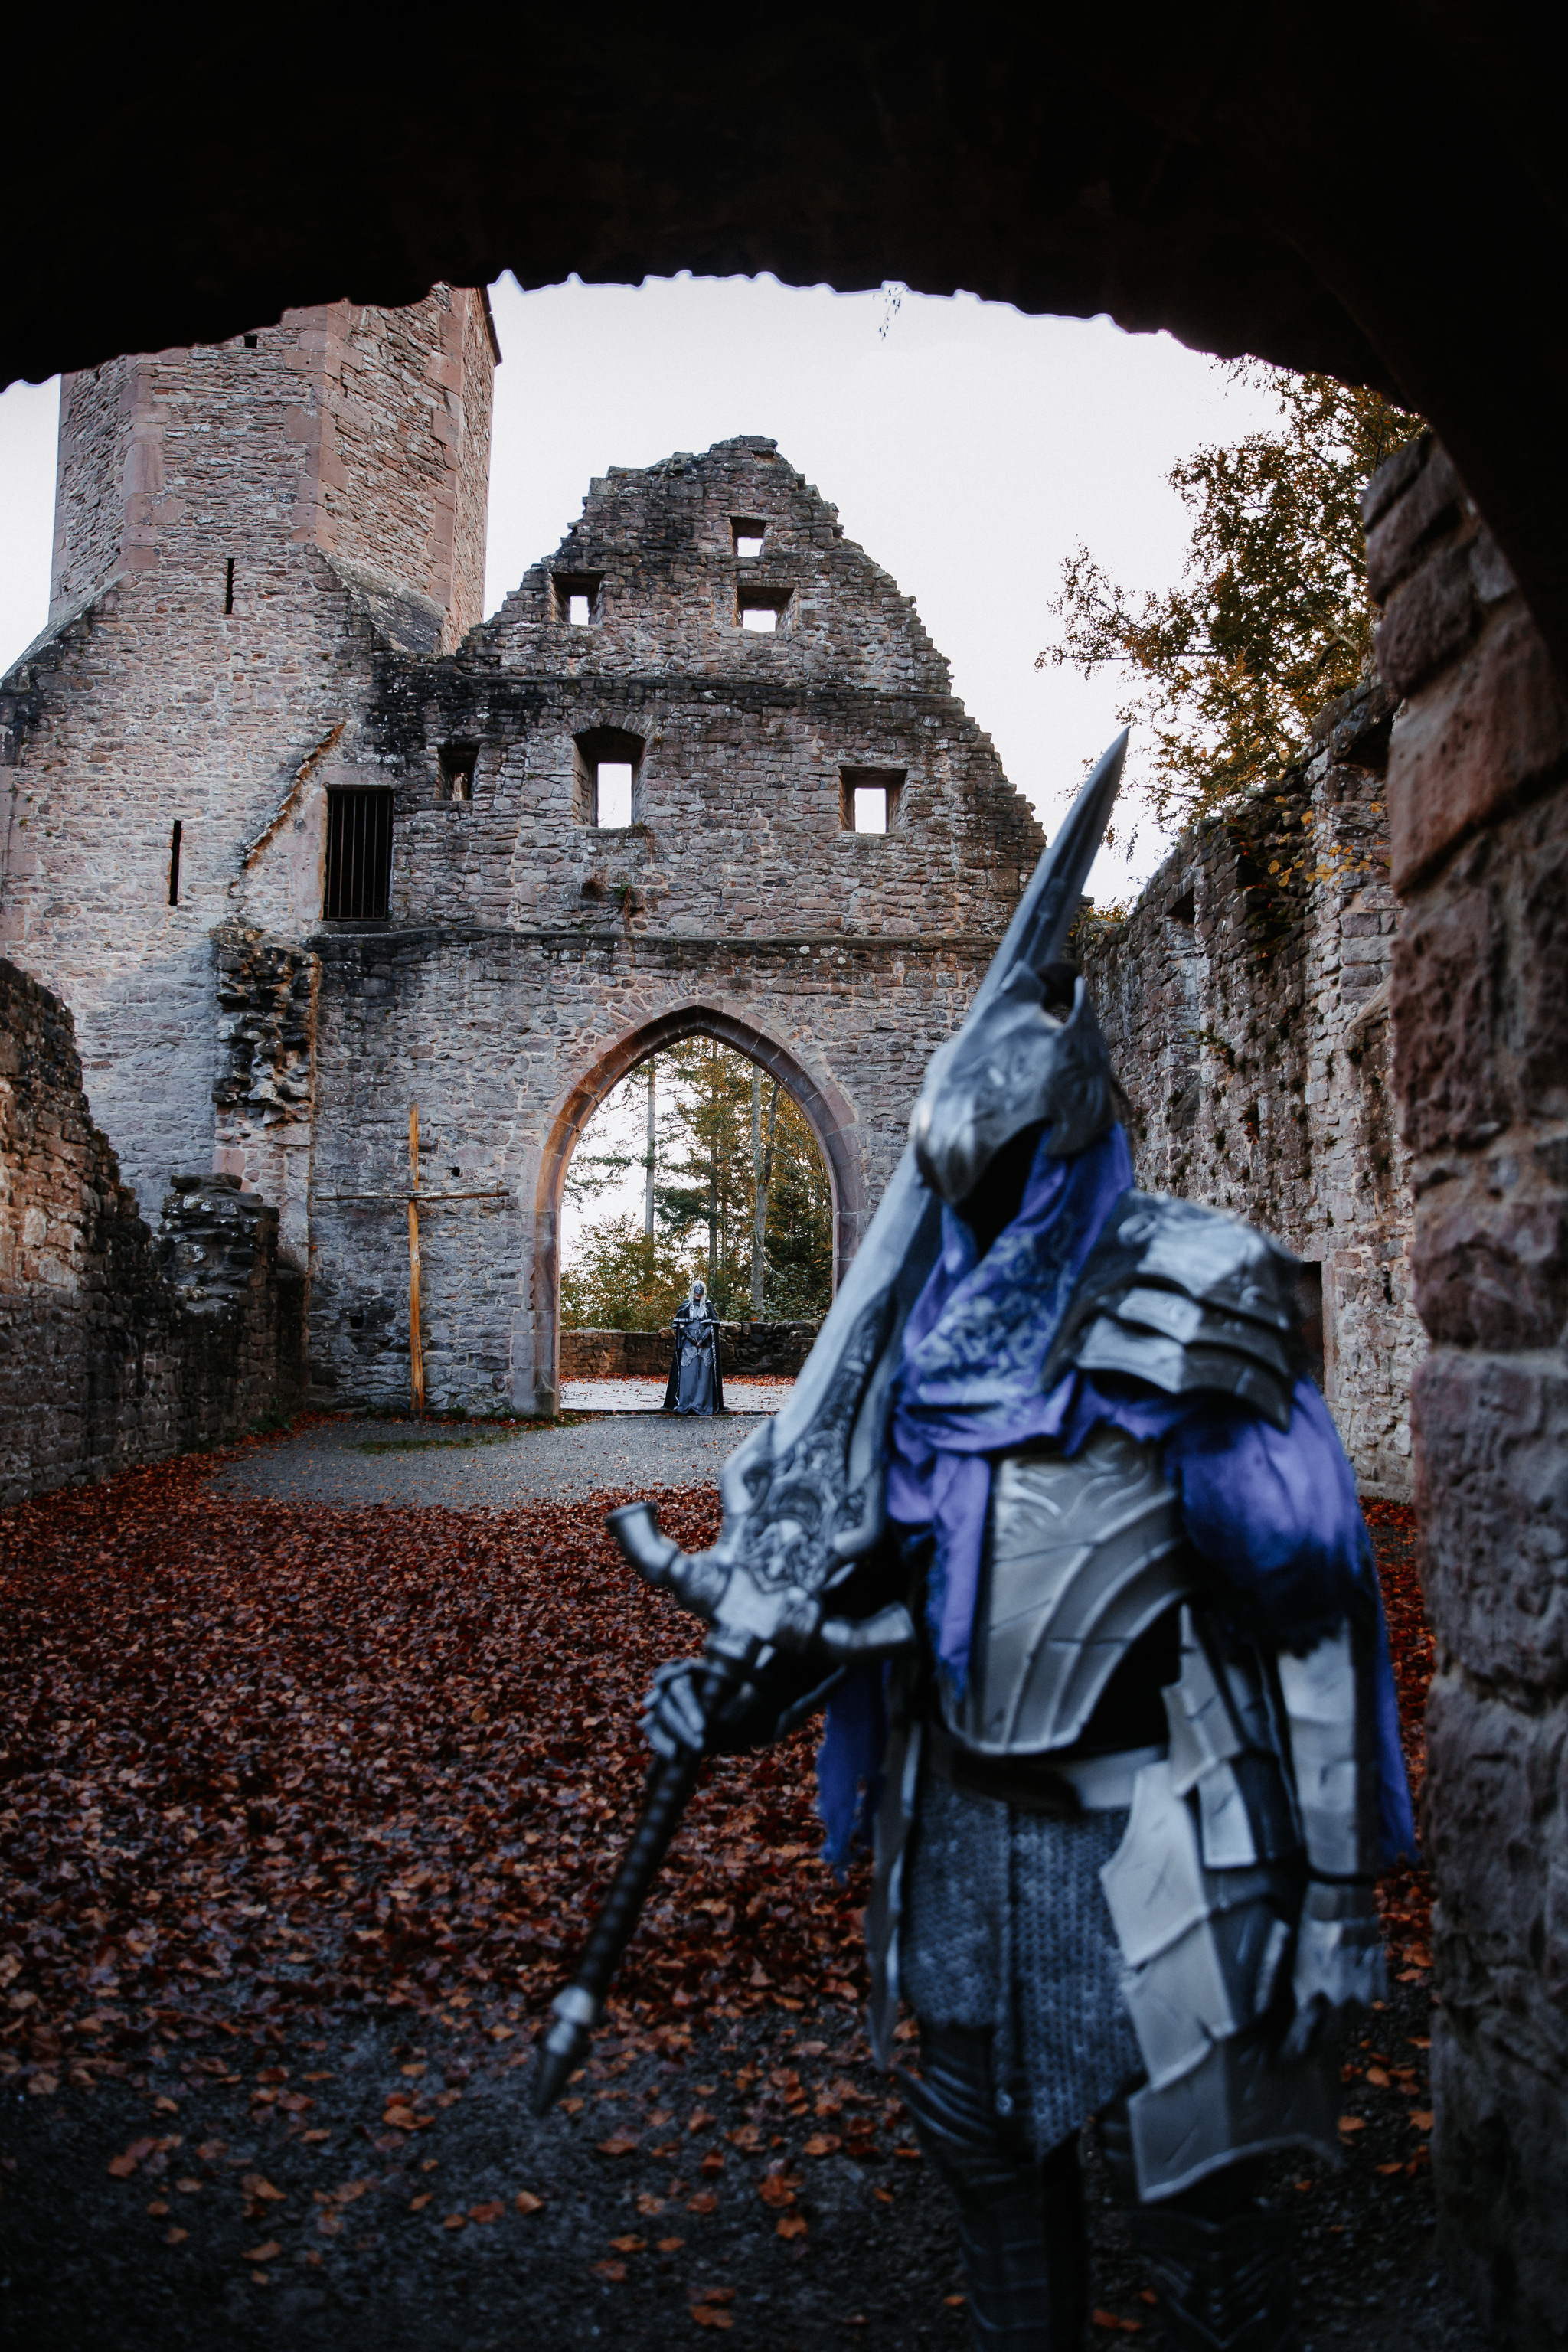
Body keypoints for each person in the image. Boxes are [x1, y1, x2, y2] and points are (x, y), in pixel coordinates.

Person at [643, 965, 1414, 2352]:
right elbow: (872, 1585)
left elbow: (1305, 1599)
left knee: (1202, 2207)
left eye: (1006, 1175)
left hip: (1171, 1826)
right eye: (964, 1185)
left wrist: (1336, 1892)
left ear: (1068, 1139)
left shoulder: (1195, 1291)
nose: (986, 1213)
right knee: (982, 2156)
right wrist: (742, 1688)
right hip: (962, 1827)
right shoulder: (919, 1335)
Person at [663, 1277, 724, 1416]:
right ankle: (686, 1403)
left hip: (705, 1345)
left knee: (704, 1375)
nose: (698, 1295)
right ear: (692, 1292)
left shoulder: (708, 1305)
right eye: (696, 1293)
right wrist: (691, 1339)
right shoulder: (685, 1305)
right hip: (689, 1345)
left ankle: (701, 1403)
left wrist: (702, 1340)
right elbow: (681, 1324)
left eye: (700, 1294)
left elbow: (712, 1325)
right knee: (688, 1374)